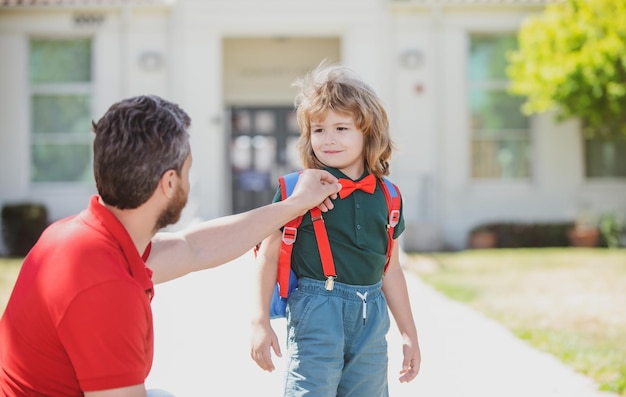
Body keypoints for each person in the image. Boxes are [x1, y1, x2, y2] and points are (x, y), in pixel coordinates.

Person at [0, 95, 341, 397]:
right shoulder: (107, 288)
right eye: (188, 171)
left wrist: (294, 205)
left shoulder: (79, 237)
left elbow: (194, 248)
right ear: (169, 182)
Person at [250, 63, 421, 396]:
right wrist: (259, 321)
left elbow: (392, 270)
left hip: (371, 317)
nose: (328, 140)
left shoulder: (389, 196)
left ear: (368, 132)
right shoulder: (296, 190)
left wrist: (408, 334)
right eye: (318, 130)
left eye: (342, 129)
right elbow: (267, 257)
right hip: (317, 311)